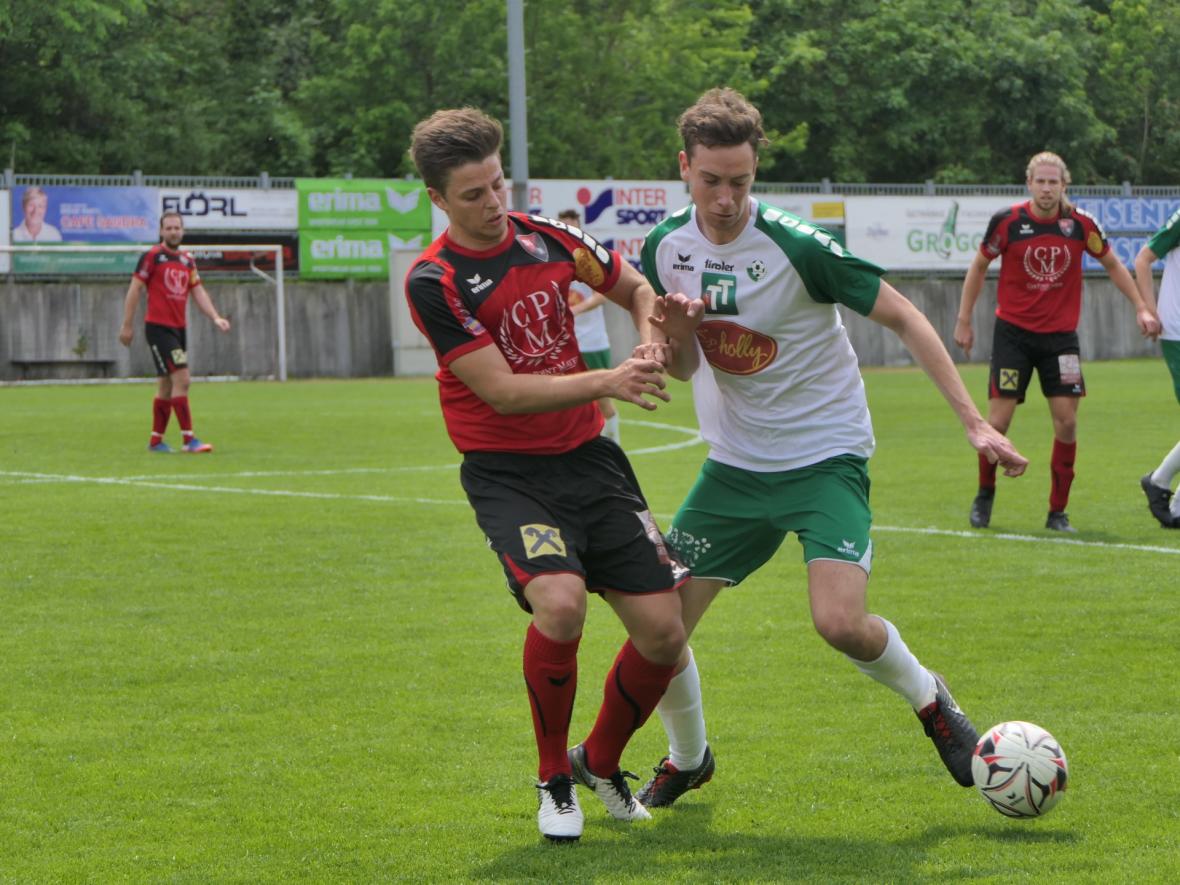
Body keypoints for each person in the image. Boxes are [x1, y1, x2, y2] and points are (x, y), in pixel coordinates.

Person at [633, 87, 1029, 808]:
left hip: (825, 455)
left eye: (741, 183)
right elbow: (689, 366)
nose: (726, 198)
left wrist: (974, 421)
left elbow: (905, 314)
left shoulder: (797, 246)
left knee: (839, 622)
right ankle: (689, 757)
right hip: (735, 466)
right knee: (659, 628)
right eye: (712, 180)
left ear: (757, 174)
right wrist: (679, 339)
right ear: (684, 167)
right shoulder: (665, 248)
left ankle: (930, 698)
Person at [403, 107, 689, 842]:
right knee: (560, 605)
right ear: (438, 198)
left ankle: (597, 759)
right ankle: (552, 777)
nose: (493, 203)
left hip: (590, 462)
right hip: (509, 472)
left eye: (498, 184)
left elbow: (637, 291)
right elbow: (503, 391)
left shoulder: (554, 238)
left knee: (665, 632)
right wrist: (609, 380)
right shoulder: (434, 281)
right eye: (472, 194)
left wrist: (651, 343)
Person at [955, 152, 1161, 532]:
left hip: (1060, 340)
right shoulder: (1007, 223)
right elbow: (979, 266)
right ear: (1029, 183)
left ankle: (1057, 512)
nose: (1047, 188)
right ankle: (985, 495)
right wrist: (964, 320)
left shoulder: (1080, 225)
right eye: (1041, 181)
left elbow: (1114, 264)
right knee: (997, 422)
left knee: (1066, 423)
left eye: (1054, 182)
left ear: (1065, 185)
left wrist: (1141, 307)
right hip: (1012, 336)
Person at [118, 211, 231, 453]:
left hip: (179, 329)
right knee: (183, 379)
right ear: (161, 231)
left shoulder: (187, 260)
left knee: (166, 385)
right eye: (168, 228)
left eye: (177, 228)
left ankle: (156, 441)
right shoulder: (152, 256)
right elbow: (135, 288)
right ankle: (189, 440)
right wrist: (127, 325)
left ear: (183, 230)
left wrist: (215, 317)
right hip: (159, 329)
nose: (173, 232)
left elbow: (198, 291)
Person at [557, 208, 621, 444]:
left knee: (602, 399)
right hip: (566, 343)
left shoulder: (587, 259)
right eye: (563, 226)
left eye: (572, 226)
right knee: (566, 402)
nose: (568, 231)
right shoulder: (553, 259)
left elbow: (601, 295)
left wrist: (572, 311)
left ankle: (615, 446)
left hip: (592, 341)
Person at [1134, 211, 1180, 528]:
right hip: (1179, 333)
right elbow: (1143, 259)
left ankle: (1169, 496)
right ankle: (1161, 484)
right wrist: (1150, 311)